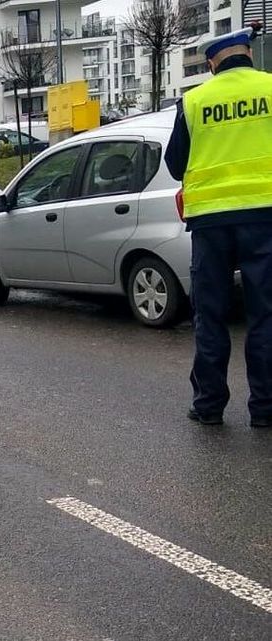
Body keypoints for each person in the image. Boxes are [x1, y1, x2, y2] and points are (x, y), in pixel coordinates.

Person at [164, 24, 272, 428]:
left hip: (210, 223)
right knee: (266, 315)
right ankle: (265, 408)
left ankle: (209, 406)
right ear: (249, 54)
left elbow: (175, 164)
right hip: (265, 217)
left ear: (212, 62)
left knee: (210, 316)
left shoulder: (194, 102)